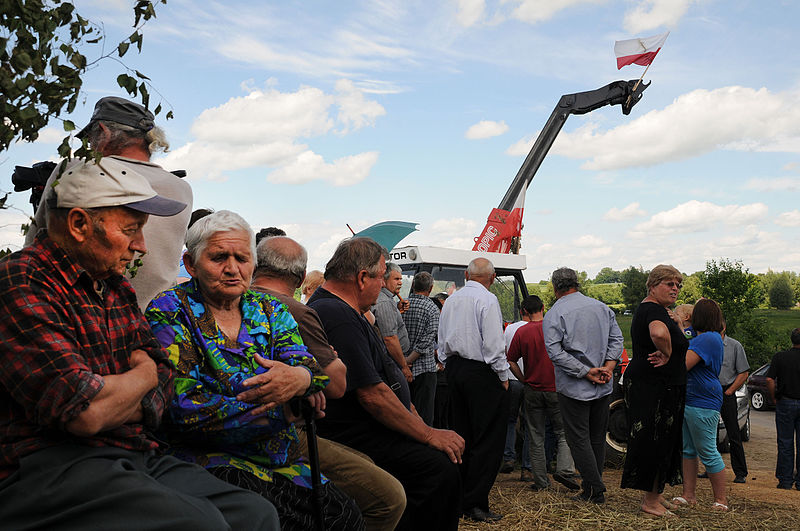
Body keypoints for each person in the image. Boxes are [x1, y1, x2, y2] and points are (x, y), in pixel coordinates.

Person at [0, 160, 279, 529]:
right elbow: (84, 414)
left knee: (256, 514)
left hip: (133, 451)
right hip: (46, 465)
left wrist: (126, 387)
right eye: (131, 229)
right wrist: (143, 375)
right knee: (200, 523)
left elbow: (165, 387)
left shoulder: (116, 288)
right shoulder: (22, 280)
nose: (141, 246)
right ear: (79, 224)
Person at [145, 211, 363, 531]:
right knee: (274, 517)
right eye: (219, 257)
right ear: (191, 264)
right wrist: (286, 409)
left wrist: (301, 379)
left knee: (342, 516)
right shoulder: (169, 310)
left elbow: (310, 367)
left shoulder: (269, 308)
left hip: (278, 454)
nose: (233, 268)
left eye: (242, 258)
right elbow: (183, 407)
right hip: (205, 458)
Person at [251, 235, 406, 531]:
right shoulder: (297, 311)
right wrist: (319, 370)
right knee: (389, 497)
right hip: (284, 432)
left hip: (253, 429)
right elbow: (334, 384)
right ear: (299, 277)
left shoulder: (240, 303)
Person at [308, 237, 463, 531]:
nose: (385, 286)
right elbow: (372, 394)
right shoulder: (336, 313)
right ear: (362, 277)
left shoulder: (342, 309)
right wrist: (428, 433)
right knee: (437, 470)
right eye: (382, 277)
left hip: (368, 429)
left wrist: (411, 410)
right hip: (358, 434)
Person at [26, 96, 193, 309]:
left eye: (89, 139)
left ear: (103, 133)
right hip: (163, 318)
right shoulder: (181, 188)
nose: (141, 247)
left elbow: (33, 245)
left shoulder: (77, 168)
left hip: (80, 311)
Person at [543, 267, 623, 504]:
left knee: (578, 439)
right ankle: (591, 489)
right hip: (603, 384)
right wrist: (608, 367)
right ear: (576, 284)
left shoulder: (555, 314)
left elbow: (554, 352)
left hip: (575, 387)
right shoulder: (601, 307)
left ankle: (595, 488)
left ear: (555, 288)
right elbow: (616, 339)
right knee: (597, 438)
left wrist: (585, 372)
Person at [438, 257, 510, 522]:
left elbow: (441, 338)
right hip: (481, 372)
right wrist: (502, 375)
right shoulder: (488, 300)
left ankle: (458, 498)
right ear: (491, 278)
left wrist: (448, 364)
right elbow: (494, 344)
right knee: (487, 439)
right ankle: (475, 502)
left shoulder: (452, 300)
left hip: (455, 369)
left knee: (462, 434)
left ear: (467, 275)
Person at [620, 265, 689, 516]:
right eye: (669, 283)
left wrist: (679, 323)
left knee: (665, 441)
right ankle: (650, 503)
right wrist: (668, 353)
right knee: (656, 441)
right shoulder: (652, 311)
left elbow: (676, 338)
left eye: (678, 284)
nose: (675, 288)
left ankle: (656, 495)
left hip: (662, 385)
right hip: (654, 386)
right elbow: (658, 333)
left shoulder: (661, 311)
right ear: (652, 285)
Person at [508, 295, 578, 492]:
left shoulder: (522, 332)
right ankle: (564, 470)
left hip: (533, 389)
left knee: (536, 435)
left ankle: (540, 481)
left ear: (524, 311)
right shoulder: (555, 328)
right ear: (544, 307)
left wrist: (523, 379)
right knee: (563, 432)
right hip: (557, 388)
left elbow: (511, 360)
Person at [669, 298, 727, 511]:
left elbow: (683, 364)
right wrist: (677, 324)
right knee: (688, 450)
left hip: (703, 400)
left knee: (708, 451)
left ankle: (721, 500)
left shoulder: (709, 339)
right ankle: (688, 495)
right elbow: (683, 337)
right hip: (691, 399)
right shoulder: (700, 337)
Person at [500, 299, 533, 482]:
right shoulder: (537, 329)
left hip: (512, 379)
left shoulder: (510, 328)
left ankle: (509, 457)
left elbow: (504, 351)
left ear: (521, 311)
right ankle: (527, 466)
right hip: (529, 380)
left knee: (510, 420)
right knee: (530, 424)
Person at [402, 271, 440, 424]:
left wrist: (404, 363)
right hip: (424, 369)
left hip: (401, 368)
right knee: (424, 417)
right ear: (430, 289)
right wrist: (409, 361)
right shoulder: (432, 309)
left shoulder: (402, 304)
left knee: (406, 416)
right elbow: (426, 341)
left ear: (412, 285)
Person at [766, 328, 800, 490]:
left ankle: (785, 480)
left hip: (785, 401)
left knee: (785, 442)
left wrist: (773, 397)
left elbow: (769, 379)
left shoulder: (780, 357)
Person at [718, 322, 750, 483]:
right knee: (710, 434)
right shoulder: (704, 342)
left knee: (733, 433)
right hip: (708, 392)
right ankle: (712, 470)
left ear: (724, 326)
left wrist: (730, 391)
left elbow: (743, 372)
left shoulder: (734, 346)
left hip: (726, 391)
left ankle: (740, 472)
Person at [373, 262, 414, 382]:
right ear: (384, 281)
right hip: (392, 362)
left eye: (401, 279)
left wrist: (397, 309)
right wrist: (404, 366)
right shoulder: (384, 302)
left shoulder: (388, 300)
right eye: (396, 279)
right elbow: (389, 338)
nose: (400, 282)